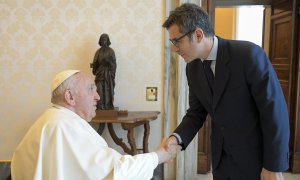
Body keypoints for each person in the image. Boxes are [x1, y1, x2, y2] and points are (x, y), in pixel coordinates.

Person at [163, 3, 290, 180]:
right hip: (221, 161)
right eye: (172, 42)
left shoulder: (248, 55)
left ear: (198, 35)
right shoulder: (192, 69)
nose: (174, 48)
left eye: (177, 41)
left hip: (256, 160)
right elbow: (196, 113)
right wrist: (176, 138)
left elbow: (275, 113)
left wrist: (273, 166)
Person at [11, 70, 179, 180]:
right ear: (70, 97)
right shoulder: (67, 126)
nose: (98, 96)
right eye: (91, 89)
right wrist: (160, 155)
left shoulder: (47, 120)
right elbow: (116, 172)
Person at [91, 33, 116, 110]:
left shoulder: (111, 51)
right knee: (100, 91)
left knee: (108, 90)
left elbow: (114, 63)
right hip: (100, 74)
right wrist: (93, 66)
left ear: (108, 41)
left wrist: (109, 62)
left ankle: (108, 106)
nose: (103, 41)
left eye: (105, 39)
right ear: (100, 41)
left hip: (108, 75)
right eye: (102, 39)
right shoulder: (98, 52)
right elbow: (95, 63)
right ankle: (100, 106)